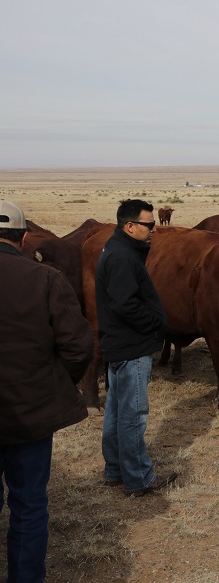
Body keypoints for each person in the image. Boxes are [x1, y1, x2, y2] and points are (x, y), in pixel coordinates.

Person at [0, 200, 93, 583]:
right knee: (29, 503)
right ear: (23, 237)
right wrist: (51, 385)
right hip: (29, 413)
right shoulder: (45, 278)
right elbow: (78, 347)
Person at [96, 199, 176, 497]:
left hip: (119, 344)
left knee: (117, 410)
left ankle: (115, 470)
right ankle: (139, 477)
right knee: (133, 414)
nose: (154, 229)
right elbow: (124, 305)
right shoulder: (122, 257)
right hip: (130, 347)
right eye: (149, 224)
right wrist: (155, 323)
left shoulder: (118, 250)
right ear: (130, 226)